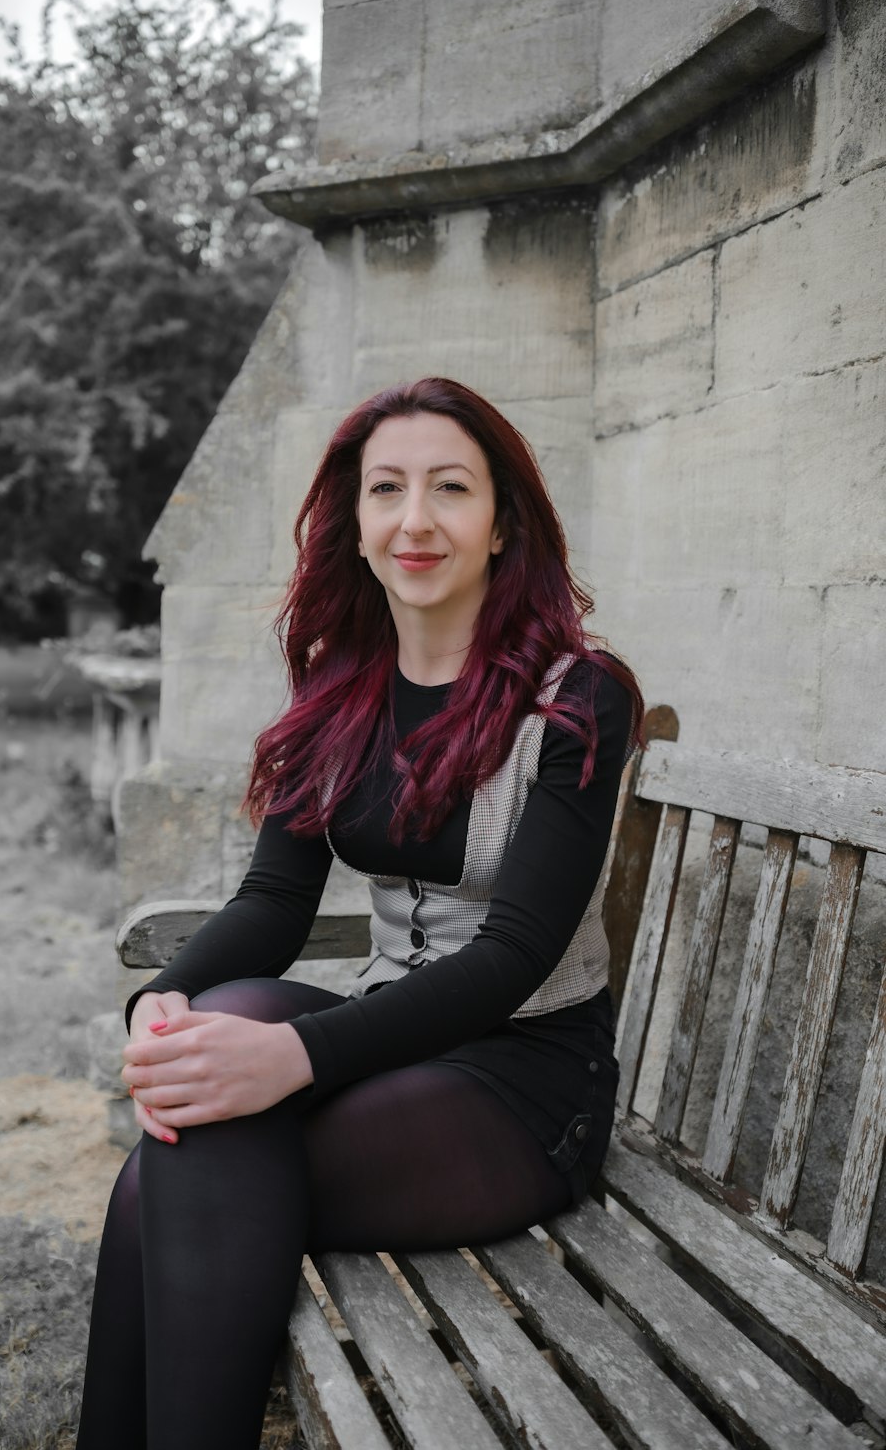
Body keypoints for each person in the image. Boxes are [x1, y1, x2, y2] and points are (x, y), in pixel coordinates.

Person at [76, 377, 643, 1450]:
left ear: (502, 523)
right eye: (386, 488)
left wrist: (289, 1059)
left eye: (450, 489)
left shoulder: (576, 699)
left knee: (185, 1159)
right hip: (389, 1043)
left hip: (523, 1081)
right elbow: (274, 903)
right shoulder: (340, 688)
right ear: (356, 520)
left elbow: (517, 953)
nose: (414, 518)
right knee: (214, 1033)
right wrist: (162, 1004)